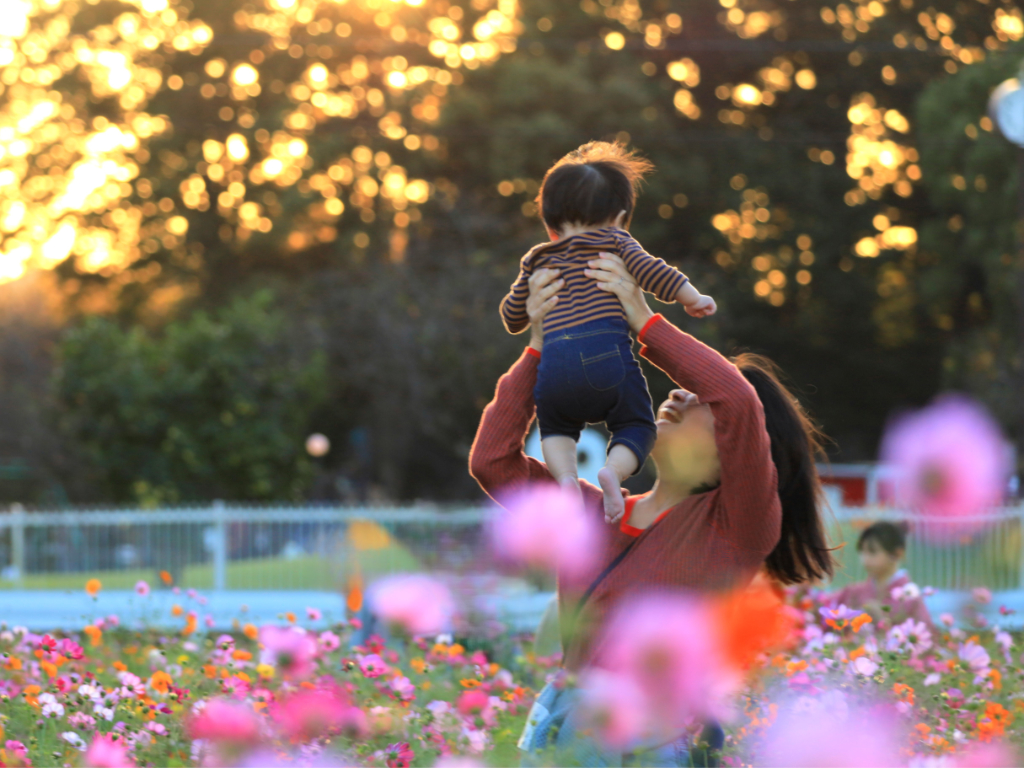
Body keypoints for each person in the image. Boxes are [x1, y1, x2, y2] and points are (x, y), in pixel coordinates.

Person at [471, 252, 834, 766]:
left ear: (741, 441)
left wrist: (641, 318)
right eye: (688, 387)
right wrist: (539, 347)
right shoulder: (588, 508)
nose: (681, 394)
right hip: (562, 736)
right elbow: (492, 461)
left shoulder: (737, 528)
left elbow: (737, 397)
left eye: (702, 398)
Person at [498, 141, 716, 522]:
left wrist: (531, 316)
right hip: (606, 361)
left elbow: (513, 315)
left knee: (554, 428)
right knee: (636, 423)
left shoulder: (537, 257)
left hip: (555, 367)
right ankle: (612, 474)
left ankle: (566, 480)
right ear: (618, 218)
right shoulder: (615, 241)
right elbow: (654, 273)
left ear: (550, 225)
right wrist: (692, 297)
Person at [829, 521, 933, 628]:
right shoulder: (854, 591)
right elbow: (821, 606)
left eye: (872, 551)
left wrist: (883, 621)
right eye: (862, 551)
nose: (865, 559)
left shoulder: (911, 599)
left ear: (897, 553)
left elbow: (928, 636)